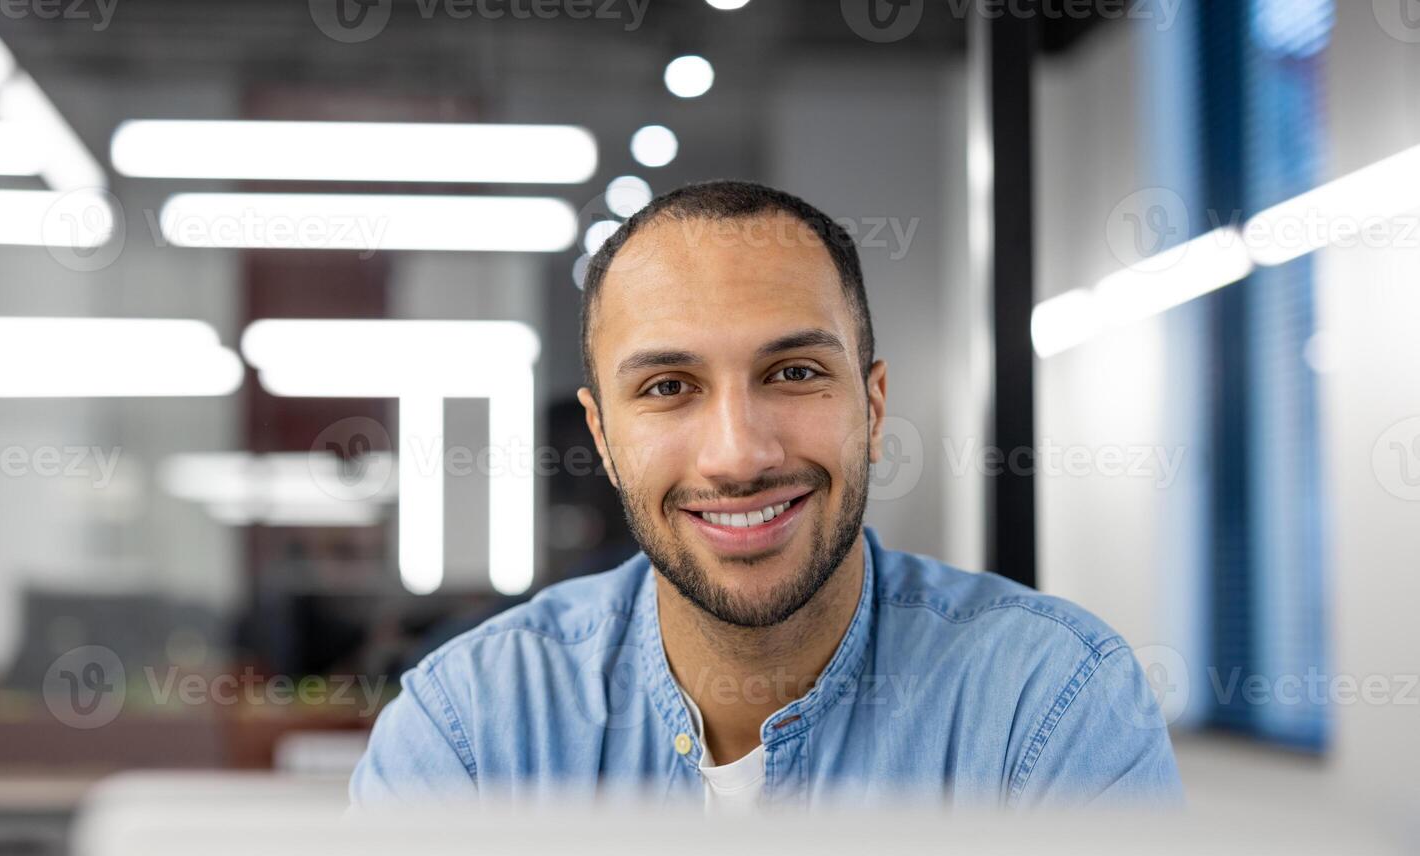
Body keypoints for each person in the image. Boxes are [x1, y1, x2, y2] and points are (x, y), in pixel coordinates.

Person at [350, 179, 1182, 811]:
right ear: (603, 439)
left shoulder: (1051, 704)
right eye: (670, 387)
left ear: (874, 407)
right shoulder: (469, 729)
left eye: (794, 374)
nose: (738, 454)